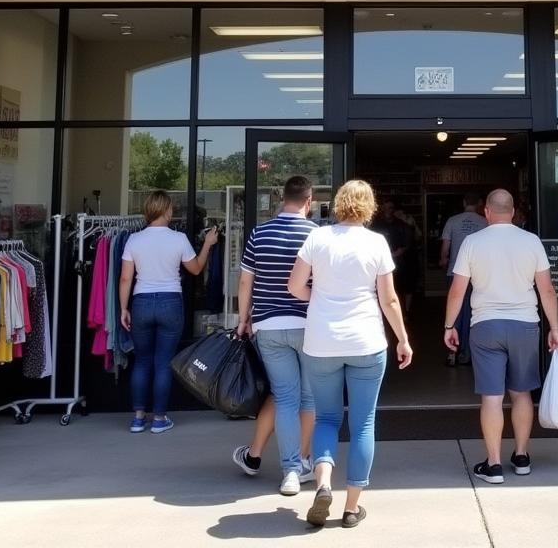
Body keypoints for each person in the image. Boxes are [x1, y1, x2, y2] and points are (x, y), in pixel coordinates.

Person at [288, 179, 413, 529]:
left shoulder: (318, 237)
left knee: (326, 418)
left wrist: (321, 300)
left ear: (339, 204)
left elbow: (295, 286)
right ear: (369, 206)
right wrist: (403, 338)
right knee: (363, 424)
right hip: (366, 342)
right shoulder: (376, 243)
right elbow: (388, 299)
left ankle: (324, 483)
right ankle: (351, 508)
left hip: (321, 342)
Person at [444, 188, 558, 485]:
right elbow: (546, 290)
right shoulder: (531, 241)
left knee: (492, 398)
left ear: (486, 212)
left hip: (485, 325)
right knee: (521, 393)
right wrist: (555, 328)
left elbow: (458, 289)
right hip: (525, 324)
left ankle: (494, 464)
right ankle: (521, 457)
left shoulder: (472, 242)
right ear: (513, 212)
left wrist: (449, 326)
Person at [235, 175, 317, 495]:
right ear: (309, 202)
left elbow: (245, 283)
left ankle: (290, 473)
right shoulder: (316, 235)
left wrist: (244, 319)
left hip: (268, 325)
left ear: (283, 199)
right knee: (309, 398)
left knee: (285, 398)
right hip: (308, 327)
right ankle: (303, 463)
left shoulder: (259, 233)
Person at [119, 190, 218, 434]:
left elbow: (125, 278)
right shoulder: (179, 239)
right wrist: (207, 245)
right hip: (170, 302)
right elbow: (195, 269)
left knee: (141, 362)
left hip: (141, 302)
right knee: (163, 362)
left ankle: (139, 418)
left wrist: (123, 308)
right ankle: (160, 419)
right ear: (166, 210)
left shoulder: (134, 240)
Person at [439, 191, 487, 366]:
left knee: (454, 311)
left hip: (455, 273)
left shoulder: (452, 221)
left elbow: (445, 248)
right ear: (480, 203)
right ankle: (467, 353)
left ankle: (452, 351)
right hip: (477, 275)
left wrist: (444, 262)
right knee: (472, 313)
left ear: (464, 201)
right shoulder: (484, 222)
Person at [373, 199, 415, 316]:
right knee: (384, 289)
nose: (388, 211)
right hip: (380, 264)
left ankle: (403, 313)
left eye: (390, 208)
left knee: (402, 288)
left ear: (394, 209)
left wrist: (396, 253)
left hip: (400, 263)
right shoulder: (375, 225)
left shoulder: (402, 225)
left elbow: (408, 243)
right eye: (385, 208)